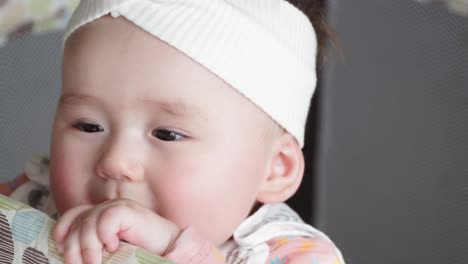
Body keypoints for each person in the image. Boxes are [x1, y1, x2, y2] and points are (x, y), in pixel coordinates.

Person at [2, 0, 345, 263]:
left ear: (275, 169)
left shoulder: (293, 254)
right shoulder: (30, 201)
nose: (116, 162)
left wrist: (172, 251)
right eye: (88, 126)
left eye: (167, 134)